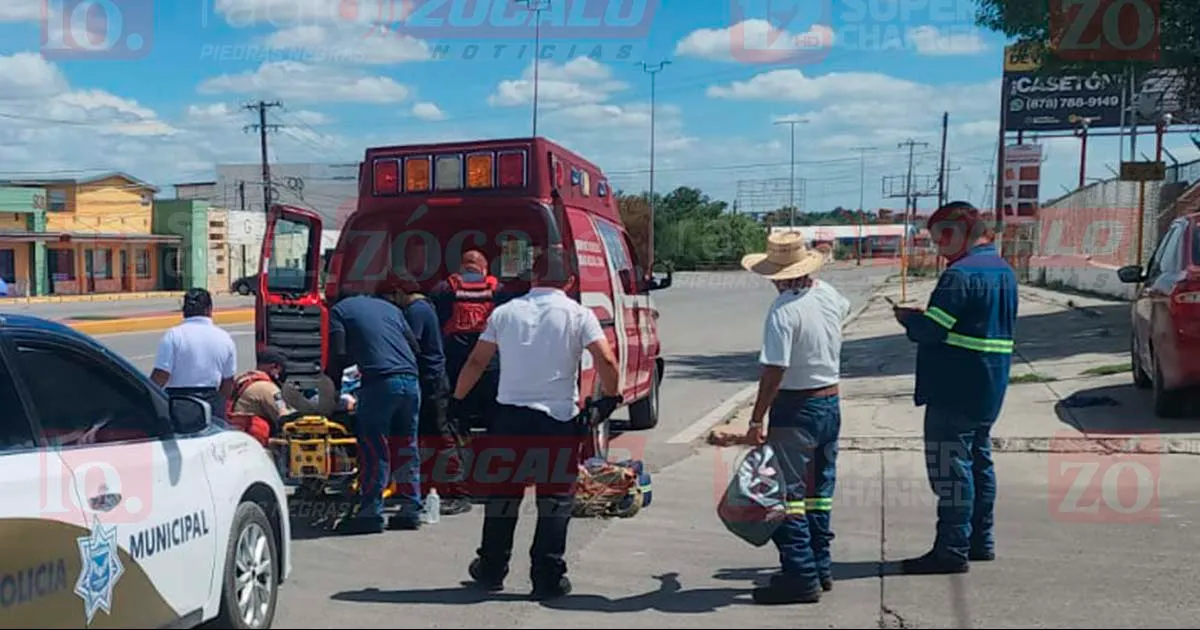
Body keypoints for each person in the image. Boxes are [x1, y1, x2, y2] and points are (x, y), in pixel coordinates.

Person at [451, 245, 620, 601]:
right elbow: (605, 358)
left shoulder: (505, 312)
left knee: (503, 497)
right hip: (557, 421)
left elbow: (477, 362)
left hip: (509, 419)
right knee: (555, 501)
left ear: (532, 277)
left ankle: (492, 569)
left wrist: (457, 401)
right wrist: (610, 399)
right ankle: (547, 577)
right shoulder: (579, 315)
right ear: (570, 280)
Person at [892, 201, 1018, 575]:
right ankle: (981, 540)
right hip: (989, 385)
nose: (937, 247)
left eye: (939, 239)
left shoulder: (959, 276)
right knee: (979, 462)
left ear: (957, 232)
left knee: (950, 469)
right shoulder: (1003, 270)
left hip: (955, 386)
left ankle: (951, 549)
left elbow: (932, 331)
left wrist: (910, 320)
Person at [739, 231, 851, 606]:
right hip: (830, 403)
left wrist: (756, 420)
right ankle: (820, 566)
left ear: (780, 276)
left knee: (786, 496)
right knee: (819, 493)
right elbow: (844, 310)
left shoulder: (783, 311)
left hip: (796, 409)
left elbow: (774, 371)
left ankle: (800, 575)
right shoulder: (827, 294)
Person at [326, 287, 424, 535]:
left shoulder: (339, 311)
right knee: (406, 446)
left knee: (374, 448)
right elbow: (415, 346)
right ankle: (411, 508)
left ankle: (370, 513)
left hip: (379, 383)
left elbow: (337, 354)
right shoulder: (391, 308)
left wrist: (333, 392)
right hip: (411, 381)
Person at [389, 282, 472, 516]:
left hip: (431, 381)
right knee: (430, 437)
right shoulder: (426, 307)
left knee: (441, 437)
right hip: (433, 379)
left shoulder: (416, 311)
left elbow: (411, 344)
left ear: (400, 291)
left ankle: (458, 492)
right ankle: (429, 487)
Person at [432, 249, 504, 431]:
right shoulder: (498, 290)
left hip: (456, 362)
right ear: (484, 269)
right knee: (492, 412)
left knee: (458, 411)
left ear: (462, 267)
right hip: (490, 362)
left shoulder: (445, 288)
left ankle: (460, 442)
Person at [150, 288, 237, 418]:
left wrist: (147, 394)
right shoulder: (225, 338)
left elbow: (161, 375)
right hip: (211, 404)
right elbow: (228, 383)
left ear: (184, 310)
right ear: (209, 309)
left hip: (179, 404)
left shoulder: (174, 335)